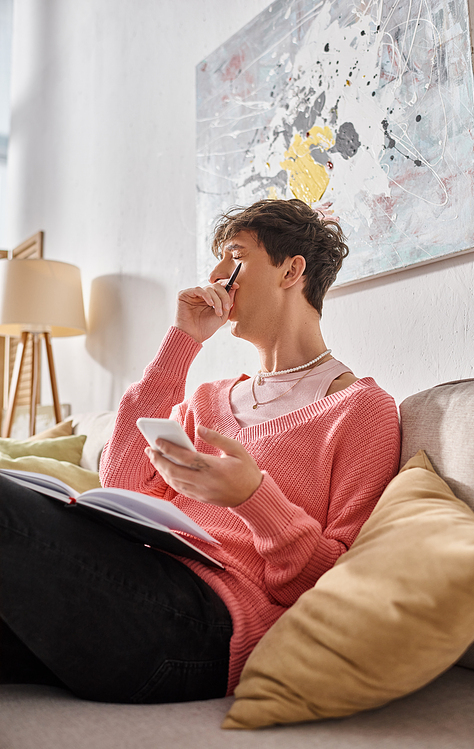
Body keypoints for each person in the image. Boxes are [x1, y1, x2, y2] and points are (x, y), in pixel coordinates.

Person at [0, 199, 401, 703]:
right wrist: (182, 341)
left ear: (291, 270)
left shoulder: (362, 411)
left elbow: (333, 586)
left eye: (234, 256)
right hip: (128, 587)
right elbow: (119, 486)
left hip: (207, 625)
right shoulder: (206, 399)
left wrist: (253, 497)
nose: (215, 275)